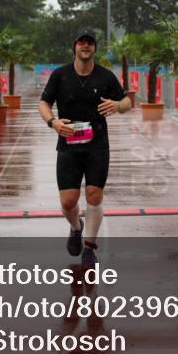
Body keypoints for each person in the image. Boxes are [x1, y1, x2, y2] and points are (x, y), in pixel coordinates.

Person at [39, 30, 131, 268]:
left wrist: (118, 105)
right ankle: (76, 227)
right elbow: (44, 103)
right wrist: (53, 122)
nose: (86, 46)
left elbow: (128, 101)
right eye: (81, 43)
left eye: (90, 43)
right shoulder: (60, 75)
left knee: (93, 195)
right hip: (68, 145)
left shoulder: (105, 76)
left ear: (94, 48)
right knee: (68, 201)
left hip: (97, 144)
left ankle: (89, 247)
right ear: (75, 47)